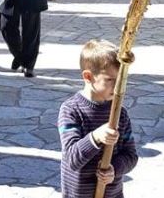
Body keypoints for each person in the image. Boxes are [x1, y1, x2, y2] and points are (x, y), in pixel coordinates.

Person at [58, 39, 138, 198]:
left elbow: (131, 155)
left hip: (112, 194)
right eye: (110, 79)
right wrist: (95, 137)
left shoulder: (120, 114)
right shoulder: (71, 110)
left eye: (121, 80)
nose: (118, 86)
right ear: (88, 76)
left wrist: (114, 169)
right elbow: (72, 159)